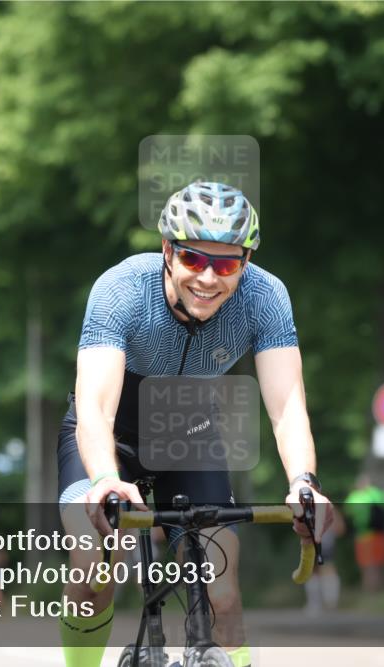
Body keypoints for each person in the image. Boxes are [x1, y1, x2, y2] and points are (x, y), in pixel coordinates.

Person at [57, 181, 334, 667]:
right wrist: (104, 479)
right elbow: (96, 407)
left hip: (189, 437)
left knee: (222, 591)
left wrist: (303, 483)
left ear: (246, 261)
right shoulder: (122, 288)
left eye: (225, 265)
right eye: (192, 258)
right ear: (167, 250)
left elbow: (288, 407)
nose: (208, 278)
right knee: (93, 568)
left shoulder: (265, 297)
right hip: (107, 440)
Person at [344, 474, 384, 592]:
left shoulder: (355, 496)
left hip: (367, 534)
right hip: (373, 534)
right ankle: (377, 589)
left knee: (370, 564)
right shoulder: (374, 493)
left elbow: (348, 511)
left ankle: (372, 589)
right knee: (375, 563)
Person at [304, 503, 346, 615]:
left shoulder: (329, 509)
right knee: (315, 571)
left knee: (326, 570)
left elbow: (340, 528)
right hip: (313, 543)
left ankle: (328, 603)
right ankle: (319, 603)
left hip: (323, 543)